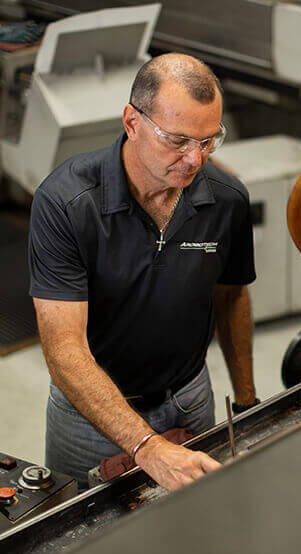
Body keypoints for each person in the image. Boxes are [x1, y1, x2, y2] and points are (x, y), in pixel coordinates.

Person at [28, 53, 258, 492]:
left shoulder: (227, 201)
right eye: (177, 140)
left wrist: (246, 402)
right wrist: (147, 446)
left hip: (190, 400)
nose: (194, 160)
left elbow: (231, 297)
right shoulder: (66, 204)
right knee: (81, 550)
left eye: (209, 141)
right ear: (132, 122)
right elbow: (64, 350)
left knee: (188, 536)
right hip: (88, 418)